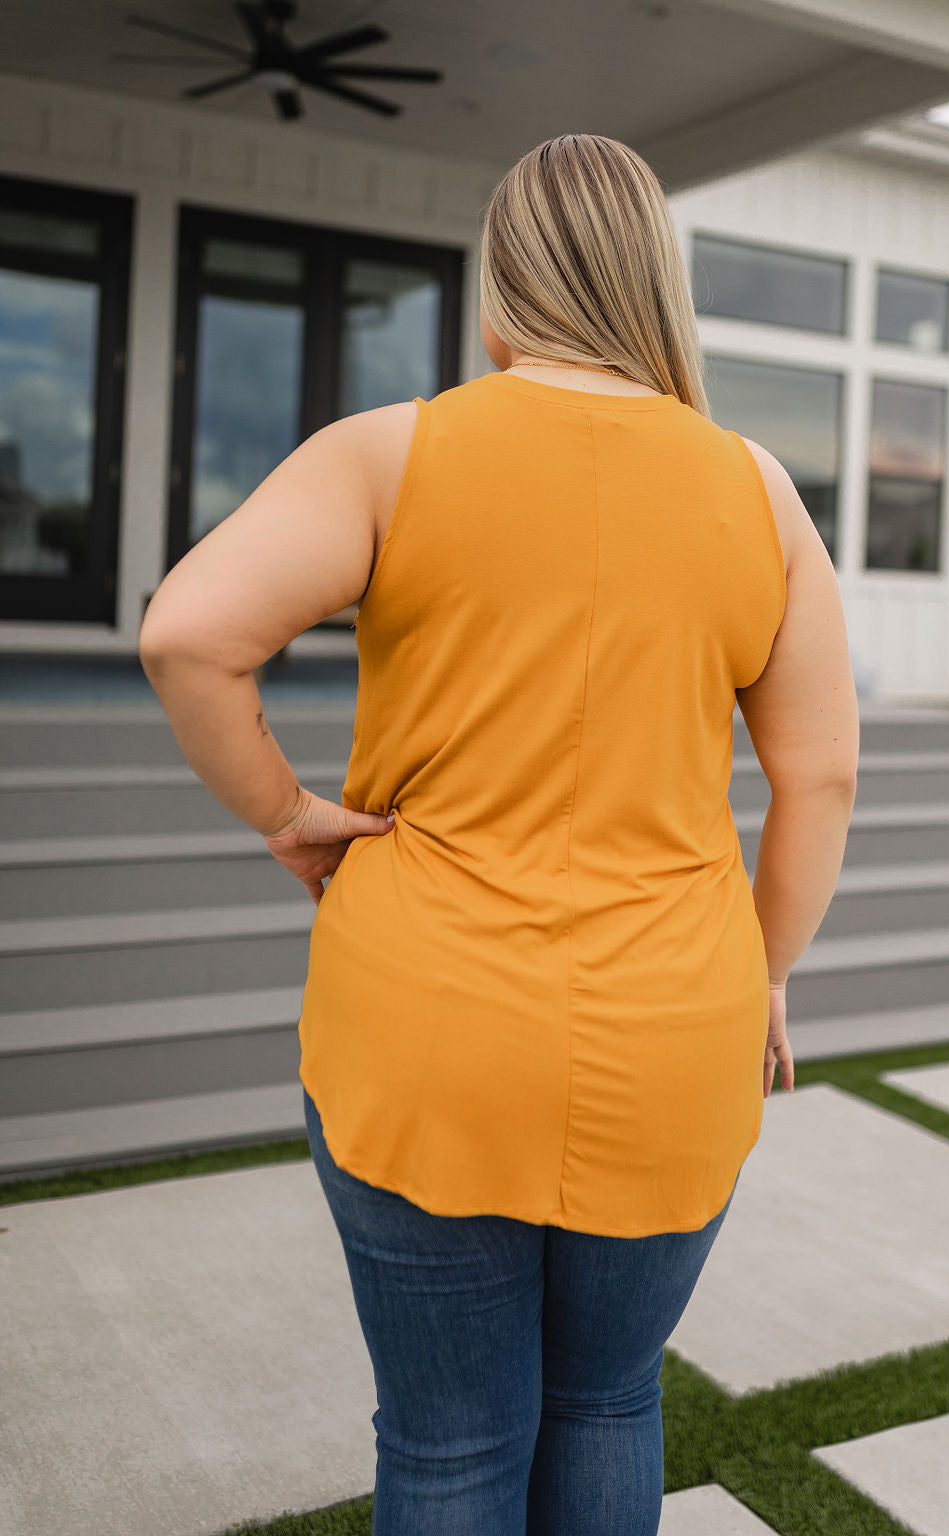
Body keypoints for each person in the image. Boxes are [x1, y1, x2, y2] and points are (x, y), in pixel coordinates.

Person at [139, 133, 859, 1536]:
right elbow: (820, 779)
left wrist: (287, 813)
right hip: (673, 1026)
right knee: (608, 1401)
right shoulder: (758, 491)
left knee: (452, 1443)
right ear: (656, 281)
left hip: (426, 1025)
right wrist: (763, 971)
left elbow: (185, 635)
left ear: (503, 283)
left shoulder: (394, 452)